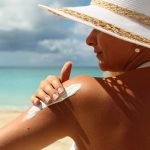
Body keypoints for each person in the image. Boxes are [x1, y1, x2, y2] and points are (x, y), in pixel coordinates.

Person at [0, 0, 150, 150]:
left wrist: (64, 103)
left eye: (100, 27)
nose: (89, 40)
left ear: (135, 38)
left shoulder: (84, 93)